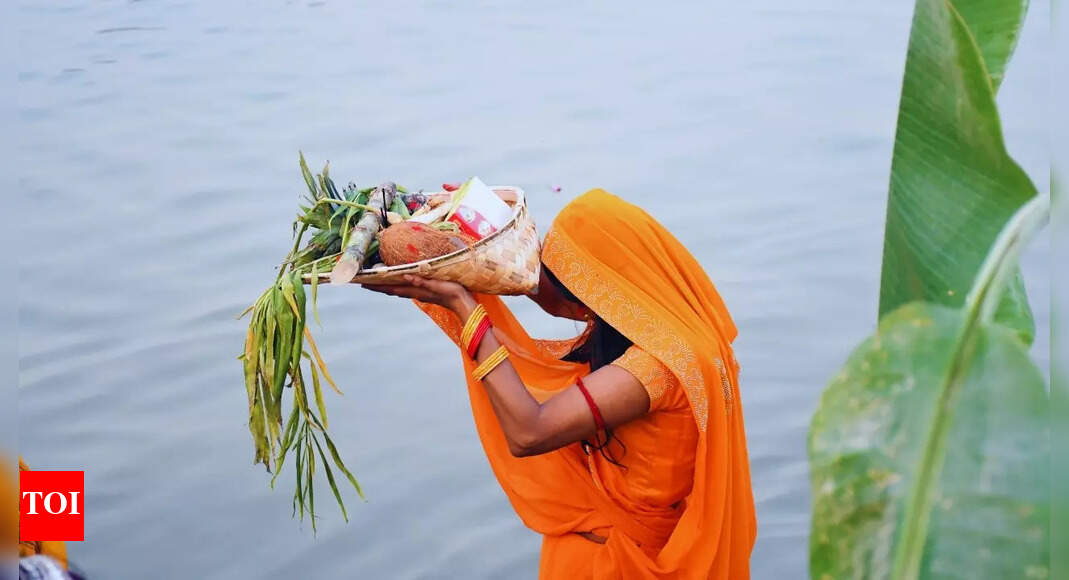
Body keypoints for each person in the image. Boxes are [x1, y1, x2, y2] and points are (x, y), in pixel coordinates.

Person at [363, 189, 756, 579]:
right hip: (607, 550)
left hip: (620, 567)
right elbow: (549, 294)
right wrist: (475, 241)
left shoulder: (657, 368)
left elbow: (528, 433)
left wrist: (466, 310)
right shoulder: (679, 331)